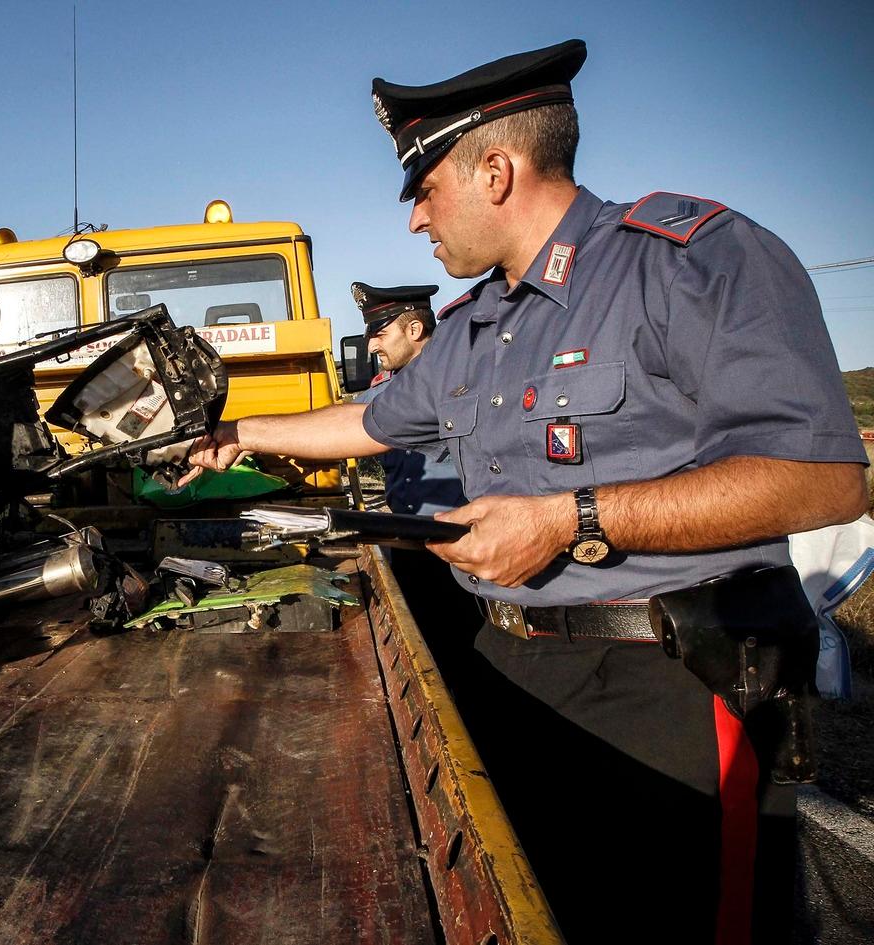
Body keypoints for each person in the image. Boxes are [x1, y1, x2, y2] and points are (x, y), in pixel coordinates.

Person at [182, 38, 868, 944]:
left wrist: (569, 520)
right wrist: (238, 435)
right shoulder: (477, 327)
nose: (416, 222)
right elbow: (369, 423)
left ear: (495, 170)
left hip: (668, 685)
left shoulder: (689, 263)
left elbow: (823, 479)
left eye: (424, 191)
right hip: (506, 666)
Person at [351, 282, 465, 515]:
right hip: (406, 533)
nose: (371, 346)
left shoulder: (464, 380)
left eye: (380, 334)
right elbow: (339, 425)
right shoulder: (381, 392)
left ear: (414, 330)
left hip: (460, 536)